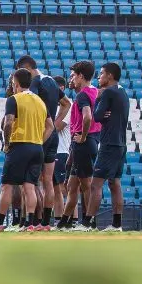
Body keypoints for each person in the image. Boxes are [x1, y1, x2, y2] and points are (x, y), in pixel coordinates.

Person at [0, 68, 52, 232]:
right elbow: (50, 126)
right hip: (37, 148)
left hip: (19, 145)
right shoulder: (40, 101)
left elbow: (9, 122)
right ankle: (30, 223)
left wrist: (6, 143)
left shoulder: (14, 100)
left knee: (7, 186)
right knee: (30, 187)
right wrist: (39, 140)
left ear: (15, 83)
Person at [16, 55, 62, 230]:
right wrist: (54, 125)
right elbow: (65, 103)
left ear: (27, 69)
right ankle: (45, 223)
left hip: (37, 134)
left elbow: (29, 103)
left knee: (29, 181)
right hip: (52, 135)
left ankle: (31, 220)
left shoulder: (34, 82)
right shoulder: (51, 80)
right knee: (48, 181)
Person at [58, 61, 102, 231]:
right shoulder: (95, 92)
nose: (71, 79)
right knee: (72, 185)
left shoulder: (82, 95)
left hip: (83, 141)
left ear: (81, 76)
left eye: (73, 76)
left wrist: (83, 137)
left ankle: (89, 222)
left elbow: (88, 117)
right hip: (89, 141)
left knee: (86, 185)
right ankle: (63, 223)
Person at [87, 62, 129, 232]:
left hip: (109, 143)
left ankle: (87, 222)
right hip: (121, 143)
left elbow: (96, 116)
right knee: (115, 183)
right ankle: (117, 224)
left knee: (96, 184)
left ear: (110, 75)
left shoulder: (108, 92)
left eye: (102, 73)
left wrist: (98, 100)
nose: (99, 77)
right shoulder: (122, 92)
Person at [52, 75, 72, 218]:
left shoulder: (67, 106)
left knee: (64, 188)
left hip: (61, 151)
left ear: (61, 89)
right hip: (52, 151)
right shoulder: (53, 106)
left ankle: (72, 219)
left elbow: (56, 127)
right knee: (55, 189)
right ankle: (58, 219)